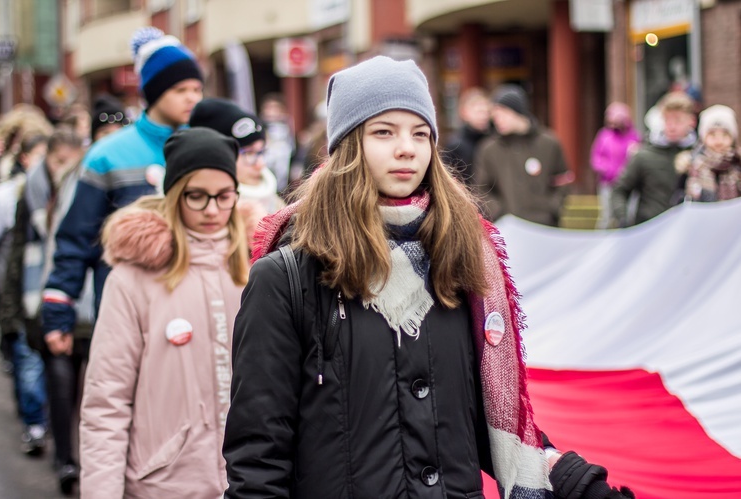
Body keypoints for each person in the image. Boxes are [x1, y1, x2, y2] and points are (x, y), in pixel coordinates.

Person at [223, 56, 634, 499]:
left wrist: (579, 487)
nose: (408, 148)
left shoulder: (461, 260)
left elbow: (488, 419)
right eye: (384, 132)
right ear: (347, 145)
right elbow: (258, 455)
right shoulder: (287, 278)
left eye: (420, 133)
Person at [38, 26, 203, 492]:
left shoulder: (205, 148)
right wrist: (58, 309)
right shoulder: (108, 155)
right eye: (180, 89)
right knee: (124, 409)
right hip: (128, 311)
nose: (192, 97)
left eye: (196, 88)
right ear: (153, 92)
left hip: (195, 309)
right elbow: (75, 239)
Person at [79, 127, 248, 498]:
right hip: (164, 483)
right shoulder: (132, 278)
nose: (212, 210)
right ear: (173, 196)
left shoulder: (259, 268)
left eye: (223, 196)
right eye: (196, 197)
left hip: (250, 481)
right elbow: (107, 400)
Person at [0, 127, 84, 491]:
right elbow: (15, 255)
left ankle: (78, 455)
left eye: (71, 161)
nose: (64, 168)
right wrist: (11, 314)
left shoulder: (87, 193)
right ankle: (64, 458)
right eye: (58, 161)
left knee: (84, 390)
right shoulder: (28, 194)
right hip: (41, 303)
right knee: (58, 382)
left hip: (85, 304)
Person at [0, 131, 50, 456]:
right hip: (17, 291)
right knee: (26, 358)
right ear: (25, 157)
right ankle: (34, 423)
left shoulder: (57, 194)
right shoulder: (4, 196)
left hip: (49, 293)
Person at [189, 97, 285, 243]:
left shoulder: (277, 206)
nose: (260, 164)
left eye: (261, 152)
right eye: (248, 153)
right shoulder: (205, 218)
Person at [474, 84, 572, 226]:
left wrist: (552, 208)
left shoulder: (549, 143)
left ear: (518, 112)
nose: (497, 120)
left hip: (545, 226)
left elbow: (563, 181)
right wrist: (500, 213)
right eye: (495, 115)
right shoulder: (488, 149)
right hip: (509, 228)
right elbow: (481, 189)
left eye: (503, 113)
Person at [612, 91, 696, 227]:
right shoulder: (644, 155)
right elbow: (619, 190)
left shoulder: (699, 156)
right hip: (650, 232)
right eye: (667, 120)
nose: (672, 126)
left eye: (678, 120)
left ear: (691, 121)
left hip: (688, 232)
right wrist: (623, 219)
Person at [590, 102, 642, 229]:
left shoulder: (634, 137)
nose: (613, 125)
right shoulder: (604, 136)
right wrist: (608, 170)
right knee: (606, 216)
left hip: (629, 183)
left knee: (628, 215)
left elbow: (640, 157)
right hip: (609, 183)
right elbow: (596, 158)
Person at [675, 104, 741, 202]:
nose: (719, 141)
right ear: (703, 137)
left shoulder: (737, 164)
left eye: (725, 134)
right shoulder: (690, 166)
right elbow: (678, 199)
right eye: (712, 134)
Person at [442, 86, 493, 184]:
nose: (483, 116)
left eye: (486, 112)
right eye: (479, 112)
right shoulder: (455, 145)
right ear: (465, 113)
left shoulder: (493, 140)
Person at [260, 92, 296, 194]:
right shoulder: (260, 128)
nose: (272, 112)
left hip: (284, 176)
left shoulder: (288, 128)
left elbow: (293, 150)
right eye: (269, 108)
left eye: (275, 108)